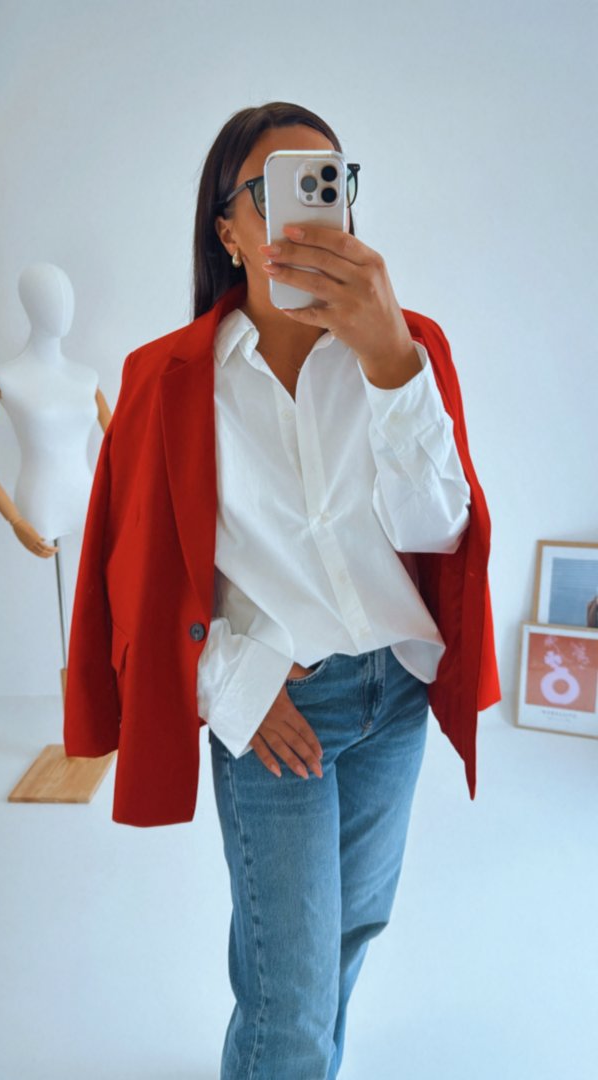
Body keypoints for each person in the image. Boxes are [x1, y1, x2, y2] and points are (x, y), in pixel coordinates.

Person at [194, 101, 476, 1079]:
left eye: (328, 182)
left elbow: (436, 530)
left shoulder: (401, 350)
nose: (310, 210)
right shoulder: (174, 382)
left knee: (346, 941)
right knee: (291, 1000)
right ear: (228, 231)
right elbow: (138, 579)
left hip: (393, 696)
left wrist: (391, 362)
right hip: (280, 704)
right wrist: (232, 682)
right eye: (272, 192)